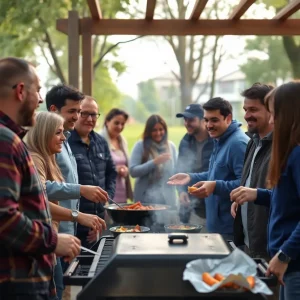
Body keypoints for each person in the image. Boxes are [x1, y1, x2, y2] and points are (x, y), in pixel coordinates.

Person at [0, 57, 80, 300]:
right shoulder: (4, 141)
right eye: (38, 90)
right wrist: (52, 240)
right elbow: (3, 217)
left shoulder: (11, 139)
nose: (42, 100)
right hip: (16, 286)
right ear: (21, 91)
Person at [231, 81, 300, 300]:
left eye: (273, 113)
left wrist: (284, 255)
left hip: (293, 263)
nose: (271, 119)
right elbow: (287, 200)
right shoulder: (290, 151)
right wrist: (257, 194)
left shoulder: (297, 154)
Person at [45, 85, 108, 300]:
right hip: (54, 234)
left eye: (79, 111)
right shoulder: (46, 140)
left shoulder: (66, 137)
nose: (78, 116)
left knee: (64, 289)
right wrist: (81, 191)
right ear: (54, 109)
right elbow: (41, 189)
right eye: (73, 111)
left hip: (68, 232)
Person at [168, 97, 249, 240]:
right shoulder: (220, 139)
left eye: (214, 120)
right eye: (206, 120)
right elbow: (215, 174)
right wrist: (191, 177)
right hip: (217, 227)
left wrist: (215, 186)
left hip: (229, 228)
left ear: (228, 118)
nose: (209, 125)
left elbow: (246, 185)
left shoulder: (237, 143)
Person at [231, 83, 274, 260]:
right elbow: (249, 182)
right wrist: (241, 200)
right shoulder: (252, 142)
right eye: (245, 109)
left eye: (253, 109)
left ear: (271, 111)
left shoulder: (284, 148)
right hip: (249, 244)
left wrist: (255, 194)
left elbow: (288, 198)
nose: (247, 115)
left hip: (270, 249)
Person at [68, 96, 117, 246]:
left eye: (94, 114)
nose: (90, 119)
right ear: (76, 114)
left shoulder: (101, 142)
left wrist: (107, 202)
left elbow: (111, 173)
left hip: (98, 223)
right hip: (73, 225)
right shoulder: (65, 142)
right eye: (85, 113)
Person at [175, 104, 214, 227]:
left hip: (210, 204)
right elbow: (179, 169)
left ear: (203, 120)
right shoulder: (185, 141)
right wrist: (181, 191)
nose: (187, 123)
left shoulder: (214, 140)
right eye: (185, 120)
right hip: (189, 207)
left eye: (191, 120)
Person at [129, 114, 177, 209]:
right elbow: (133, 171)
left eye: (161, 129)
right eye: (154, 130)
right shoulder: (140, 146)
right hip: (144, 201)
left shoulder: (171, 147)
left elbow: (176, 172)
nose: (158, 133)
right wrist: (154, 162)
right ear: (148, 131)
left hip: (166, 200)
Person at [100, 108, 133, 204]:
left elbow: (128, 164)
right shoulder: (99, 140)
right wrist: (115, 169)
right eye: (116, 123)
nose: (120, 126)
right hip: (107, 191)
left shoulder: (122, 141)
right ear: (107, 122)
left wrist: (126, 170)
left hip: (122, 190)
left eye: (122, 124)